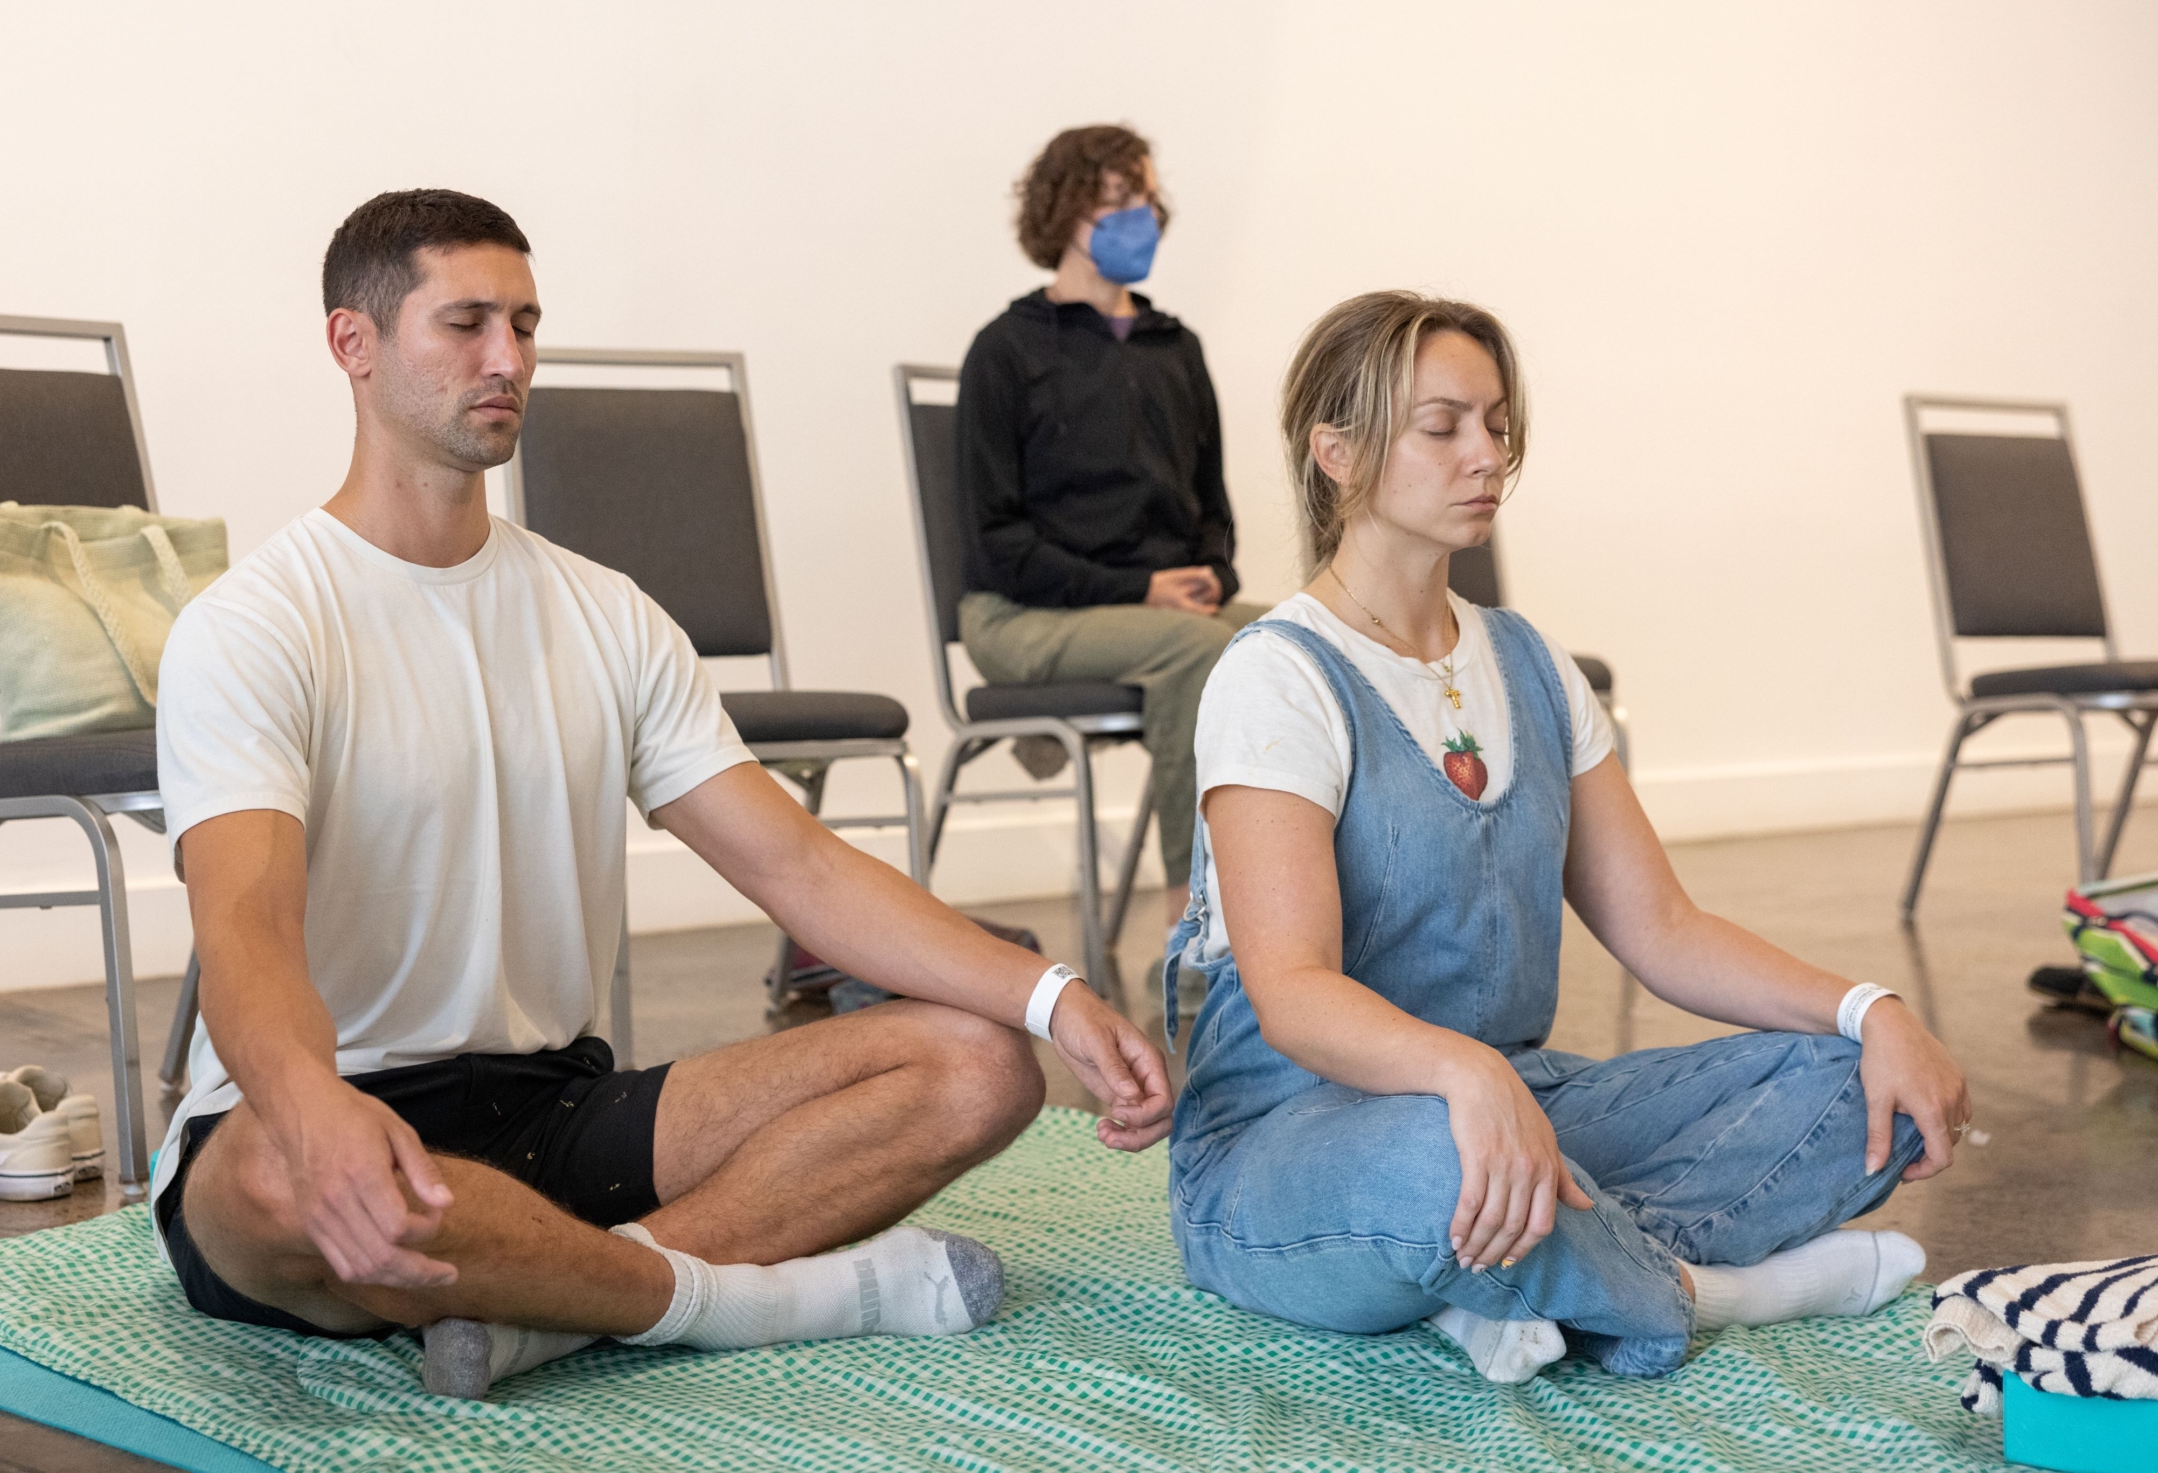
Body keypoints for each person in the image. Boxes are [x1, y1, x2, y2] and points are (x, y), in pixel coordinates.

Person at [154, 189, 1173, 1397]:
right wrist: (314, 1108)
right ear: (353, 345)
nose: (508, 360)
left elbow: (797, 867)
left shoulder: (603, 611)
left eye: (525, 325)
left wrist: (1051, 995)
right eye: (466, 323)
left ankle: (570, 1296)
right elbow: (245, 925)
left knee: (981, 1065)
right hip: (330, 1107)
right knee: (270, 1182)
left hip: (555, 1108)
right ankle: (739, 1298)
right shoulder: (256, 625)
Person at [1163, 291, 1971, 1382]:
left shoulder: (1533, 665)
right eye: (1441, 425)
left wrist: (1871, 1008)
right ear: (1337, 454)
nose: (1485, 454)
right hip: (1292, 1142)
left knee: (1858, 1084)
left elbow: (1663, 926)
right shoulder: (1274, 675)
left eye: (1496, 424)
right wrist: (1461, 1077)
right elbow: (1293, 990)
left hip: (1513, 1097)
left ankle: (1508, 1270)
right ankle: (1703, 1289)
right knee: (1434, 1161)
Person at [956, 124, 1260, 920]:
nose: (1142, 218)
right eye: (1119, 201)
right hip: (1022, 614)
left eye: (1148, 200)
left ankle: (1299, 900)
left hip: (1155, 608)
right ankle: (1195, 924)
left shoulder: (1175, 348)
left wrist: (1212, 574)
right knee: (1202, 650)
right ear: (1063, 213)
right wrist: (1142, 589)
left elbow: (1213, 511)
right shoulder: (1007, 351)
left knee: (1301, 638)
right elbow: (997, 545)